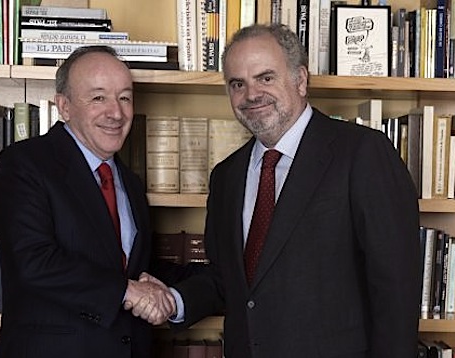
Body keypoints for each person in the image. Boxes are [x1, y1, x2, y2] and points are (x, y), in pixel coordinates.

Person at [134, 23, 422, 357]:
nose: (251, 95)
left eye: (265, 78)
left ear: (300, 80)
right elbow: (227, 281)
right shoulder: (226, 176)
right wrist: (174, 301)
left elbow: (396, 289)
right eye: (237, 84)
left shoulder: (362, 153)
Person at [0, 45, 176, 358]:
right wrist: (129, 292)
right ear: (64, 106)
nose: (116, 113)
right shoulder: (24, 163)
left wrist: (189, 290)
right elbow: (33, 261)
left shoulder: (130, 182)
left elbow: (132, 268)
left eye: (125, 97)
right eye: (98, 97)